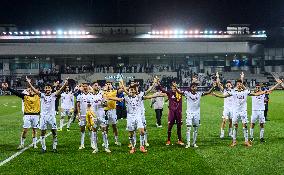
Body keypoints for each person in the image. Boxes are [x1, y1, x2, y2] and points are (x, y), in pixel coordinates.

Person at [213, 76, 268, 147]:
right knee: (235, 126)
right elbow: (224, 96)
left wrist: (264, 92)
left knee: (245, 126)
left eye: (240, 84)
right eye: (238, 84)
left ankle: (246, 141)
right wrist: (216, 95)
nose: (239, 85)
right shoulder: (233, 92)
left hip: (243, 112)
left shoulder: (246, 91)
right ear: (236, 85)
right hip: (235, 111)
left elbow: (255, 94)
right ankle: (234, 141)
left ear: (242, 85)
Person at [27, 77, 69, 153]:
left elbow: (60, 90)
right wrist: (29, 83)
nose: (47, 89)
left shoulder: (54, 95)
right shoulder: (42, 95)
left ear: (51, 89)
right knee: (43, 132)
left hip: (51, 117)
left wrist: (65, 84)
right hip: (43, 117)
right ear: (44, 89)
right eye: (46, 88)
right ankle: (44, 148)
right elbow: (35, 90)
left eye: (49, 88)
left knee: (54, 132)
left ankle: (54, 147)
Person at [2, 81, 40, 150]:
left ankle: (34, 144)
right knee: (25, 130)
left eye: (31, 90)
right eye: (29, 90)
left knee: (34, 130)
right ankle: (22, 144)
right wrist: (8, 88)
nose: (30, 91)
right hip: (27, 115)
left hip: (36, 115)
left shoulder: (38, 96)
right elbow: (16, 92)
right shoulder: (25, 96)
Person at [176, 82, 215, 148]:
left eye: (195, 87)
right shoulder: (187, 93)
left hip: (197, 113)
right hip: (189, 113)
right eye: (193, 87)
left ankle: (194, 143)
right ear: (190, 88)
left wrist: (213, 87)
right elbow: (179, 92)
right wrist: (176, 87)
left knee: (195, 129)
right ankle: (188, 143)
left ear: (197, 88)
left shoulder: (199, 94)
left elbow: (208, 92)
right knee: (188, 128)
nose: (194, 88)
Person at [157, 80, 184, 146]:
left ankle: (179, 140)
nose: (174, 89)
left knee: (179, 127)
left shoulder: (180, 93)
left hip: (178, 113)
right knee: (170, 126)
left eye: (175, 87)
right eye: (173, 87)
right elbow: (162, 90)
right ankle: (168, 140)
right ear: (171, 88)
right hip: (172, 113)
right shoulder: (169, 93)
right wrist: (158, 83)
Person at [90, 82, 111, 153]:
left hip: (101, 116)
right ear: (92, 86)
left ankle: (106, 147)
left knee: (104, 130)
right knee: (94, 131)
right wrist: (92, 115)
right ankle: (96, 148)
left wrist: (104, 103)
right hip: (94, 117)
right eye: (95, 85)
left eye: (97, 85)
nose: (97, 86)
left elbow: (106, 104)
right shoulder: (90, 96)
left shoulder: (101, 94)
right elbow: (88, 107)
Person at [103, 81, 121, 146]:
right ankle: (105, 141)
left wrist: (121, 84)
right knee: (106, 126)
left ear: (111, 85)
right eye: (107, 84)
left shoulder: (114, 92)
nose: (108, 85)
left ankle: (116, 140)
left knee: (114, 126)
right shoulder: (103, 92)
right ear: (105, 85)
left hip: (113, 110)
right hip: (106, 110)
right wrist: (118, 99)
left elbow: (120, 90)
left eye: (109, 84)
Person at [77, 83, 94, 150]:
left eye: (86, 86)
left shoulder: (91, 95)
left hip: (89, 115)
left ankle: (92, 144)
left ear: (88, 87)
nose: (84, 87)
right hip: (82, 115)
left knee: (91, 129)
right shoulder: (79, 96)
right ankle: (82, 144)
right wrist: (78, 114)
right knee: (82, 129)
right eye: (83, 86)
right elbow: (78, 105)